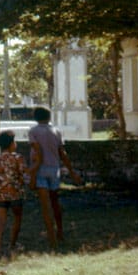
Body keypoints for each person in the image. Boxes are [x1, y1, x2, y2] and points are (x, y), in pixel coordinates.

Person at [28, 106, 82, 248]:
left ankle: (51, 238)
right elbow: (62, 153)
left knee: (46, 206)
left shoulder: (33, 131)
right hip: (54, 169)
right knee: (55, 202)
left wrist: (32, 173)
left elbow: (36, 151)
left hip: (40, 169)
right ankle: (60, 232)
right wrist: (71, 171)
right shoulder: (56, 131)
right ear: (49, 117)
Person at [0, 130, 27, 255]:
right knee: (17, 218)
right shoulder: (18, 158)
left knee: (1, 220)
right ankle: (12, 244)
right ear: (12, 143)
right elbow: (23, 173)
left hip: (2, 193)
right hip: (16, 192)